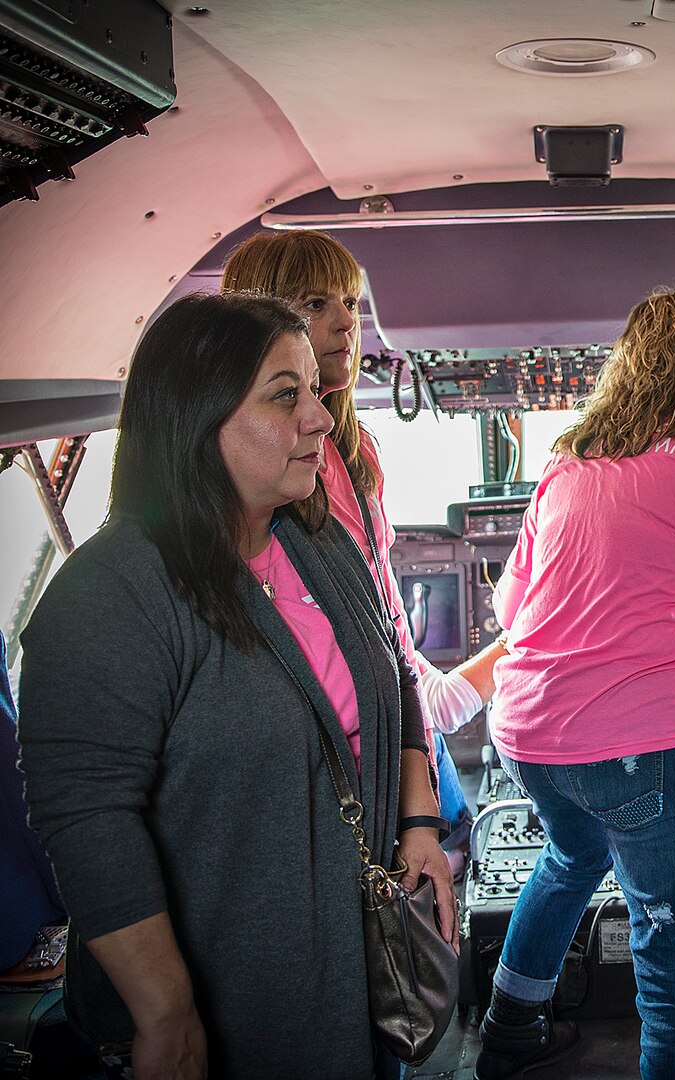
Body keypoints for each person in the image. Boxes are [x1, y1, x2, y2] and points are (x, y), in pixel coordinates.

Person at [16, 293, 454, 1079]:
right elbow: (87, 819)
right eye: (286, 397)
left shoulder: (318, 541)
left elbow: (393, 673)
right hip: (244, 1014)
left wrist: (418, 821)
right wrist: (167, 1012)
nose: (320, 419)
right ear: (194, 417)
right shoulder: (109, 596)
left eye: (315, 393)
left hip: (355, 978)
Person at [478, 288, 675, 1080]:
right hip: (644, 739)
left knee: (572, 853)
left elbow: (511, 602)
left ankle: (510, 1028)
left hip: (528, 736)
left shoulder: (569, 455)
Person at [219, 231, 508, 760]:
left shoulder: (358, 455)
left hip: (394, 720)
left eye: (350, 302)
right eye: (315, 302)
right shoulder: (255, 472)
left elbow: (396, 648)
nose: (349, 322)